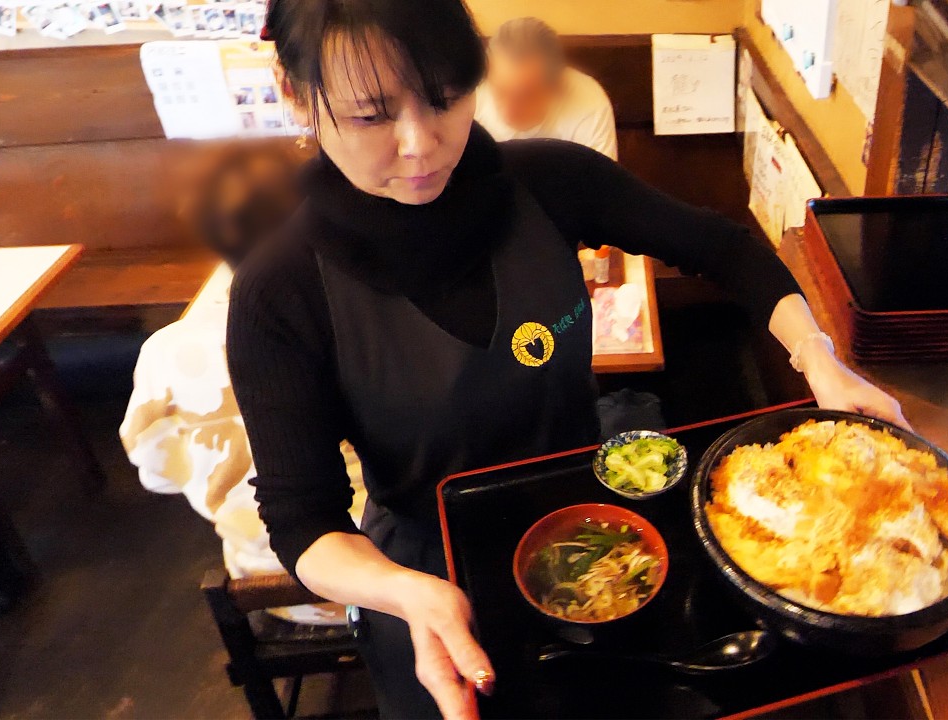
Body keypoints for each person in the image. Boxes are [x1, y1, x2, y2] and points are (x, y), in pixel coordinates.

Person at [234, 0, 906, 716]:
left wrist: (819, 358)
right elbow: (303, 521)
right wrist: (402, 592)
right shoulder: (279, 288)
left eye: (444, 98)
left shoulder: (548, 182)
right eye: (372, 115)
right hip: (425, 579)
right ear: (296, 93)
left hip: (599, 533)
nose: (421, 143)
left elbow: (724, 247)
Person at [120, 143, 368, 625]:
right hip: (391, 577)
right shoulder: (355, 322)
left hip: (267, 584)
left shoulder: (166, 352)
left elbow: (157, 473)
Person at [474, 16, 618, 159]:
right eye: (499, 92)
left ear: (555, 86)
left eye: (523, 96)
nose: (508, 109)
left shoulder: (589, 102)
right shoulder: (471, 94)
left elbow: (602, 180)